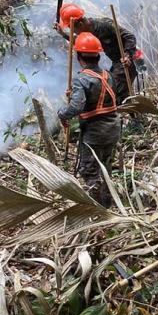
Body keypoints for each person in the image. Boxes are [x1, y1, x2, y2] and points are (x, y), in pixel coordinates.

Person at [57, 33, 120, 208]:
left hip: (95, 132)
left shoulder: (81, 79)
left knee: (89, 170)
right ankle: (109, 205)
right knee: (105, 168)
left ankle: (95, 209)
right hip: (113, 128)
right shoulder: (108, 76)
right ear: (98, 56)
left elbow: (77, 107)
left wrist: (62, 113)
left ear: (79, 58)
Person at [56, 3, 138, 106]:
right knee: (117, 91)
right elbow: (80, 43)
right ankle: (133, 116)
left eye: (74, 29)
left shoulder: (104, 25)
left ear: (80, 24)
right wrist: (63, 34)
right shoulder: (87, 31)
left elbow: (129, 37)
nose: (75, 33)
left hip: (128, 60)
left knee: (112, 93)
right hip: (117, 62)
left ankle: (125, 116)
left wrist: (127, 55)